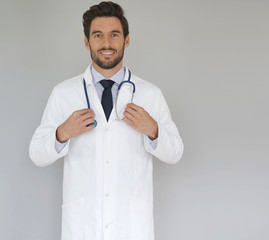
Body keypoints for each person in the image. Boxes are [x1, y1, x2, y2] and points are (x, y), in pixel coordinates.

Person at [29, 2, 183, 240]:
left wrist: (153, 130)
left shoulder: (150, 94)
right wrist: (61, 133)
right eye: (98, 35)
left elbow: (175, 154)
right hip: (83, 226)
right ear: (86, 42)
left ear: (127, 40)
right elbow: (37, 154)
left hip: (131, 227)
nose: (107, 43)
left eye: (115, 35)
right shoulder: (64, 93)